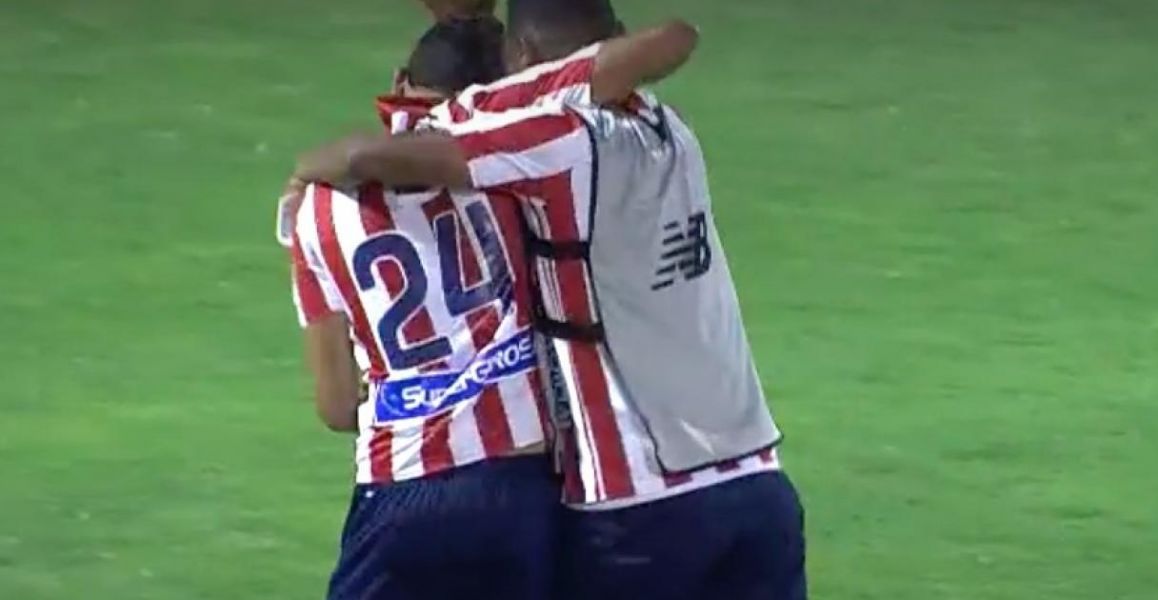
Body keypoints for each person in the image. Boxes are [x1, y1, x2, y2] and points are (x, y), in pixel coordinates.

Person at [292, 1, 806, 599]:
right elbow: (676, 36)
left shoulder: (548, 144)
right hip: (758, 486)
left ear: (527, 63)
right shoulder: (674, 132)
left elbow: (375, 157)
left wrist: (316, 168)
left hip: (637, 503)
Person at [286, 16, 559, 600]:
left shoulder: (315, 207)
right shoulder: (520, 166)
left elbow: (337, 407)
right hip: (524, 478)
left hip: (399, 489)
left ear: (398, 80)